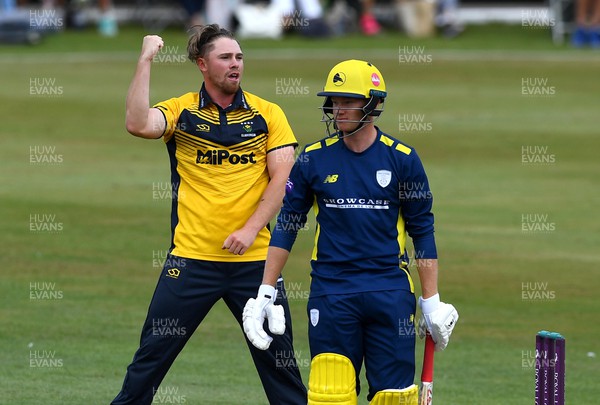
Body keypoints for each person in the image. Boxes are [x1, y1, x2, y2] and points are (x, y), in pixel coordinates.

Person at [111, 24, 307, 405]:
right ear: (202, 64)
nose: (235, 64)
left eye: (239, 57)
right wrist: (145, 59)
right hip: (191, 261)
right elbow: (137, 123)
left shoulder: (268, 114)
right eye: (225, 57)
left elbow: (284, 178)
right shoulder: (181, 110)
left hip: (256, 265)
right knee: (148, 362)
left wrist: (251, 229)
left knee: (282, 368)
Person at [243, 60, 458, 404]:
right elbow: (287, 225)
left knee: (394, 398)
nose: (337, 109)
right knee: (329, 395)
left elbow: (423, 231)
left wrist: (431, 302)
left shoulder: (403, 159)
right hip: (332, 293)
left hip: (389, 291)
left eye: (347, 101)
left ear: (372, 104)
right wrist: (265, 291)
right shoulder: (313, 159)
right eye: (334, 101)